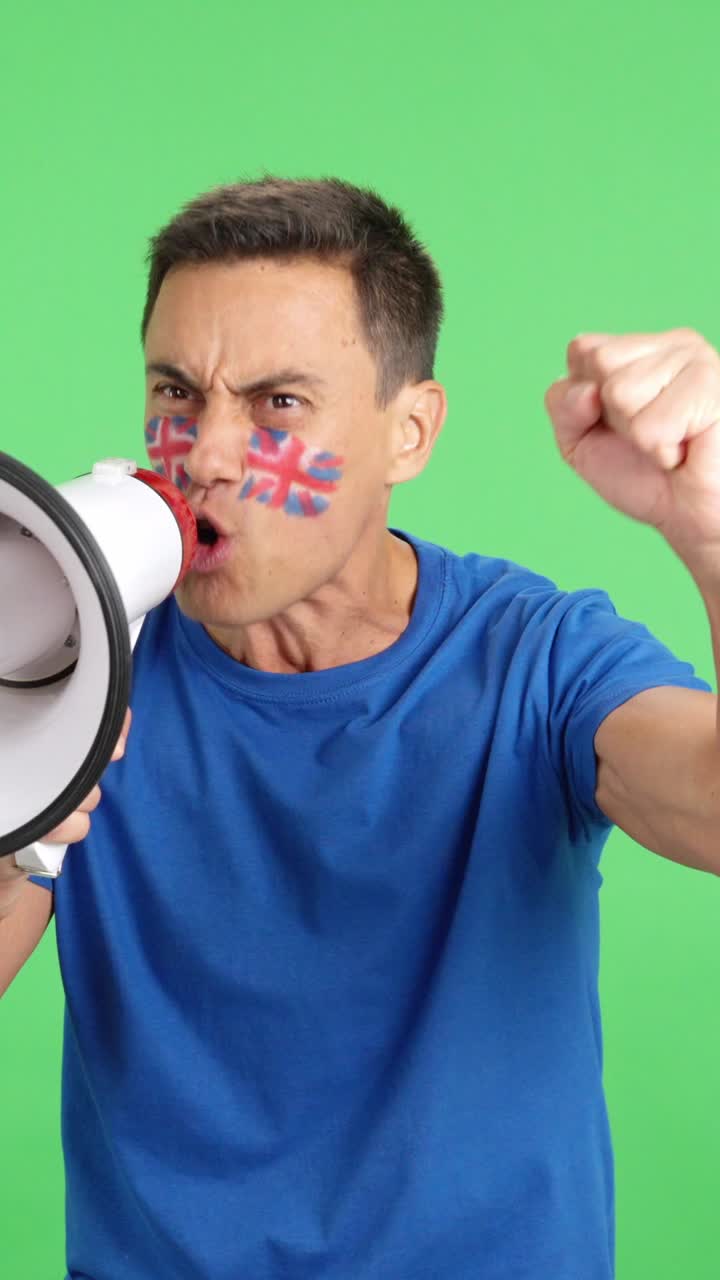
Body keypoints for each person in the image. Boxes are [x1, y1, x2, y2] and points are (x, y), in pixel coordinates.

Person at [1, 177, 719, 1280]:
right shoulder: (85, 660)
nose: (207, 454)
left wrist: (713, 534)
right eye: (175, 392)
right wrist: (24, 806)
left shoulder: (536, 655)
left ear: (410, 431)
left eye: (278, 404)